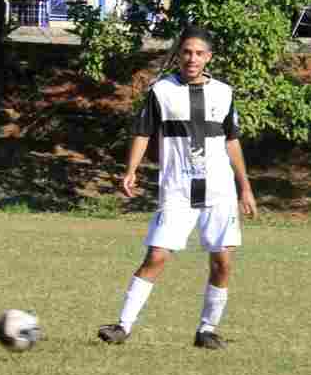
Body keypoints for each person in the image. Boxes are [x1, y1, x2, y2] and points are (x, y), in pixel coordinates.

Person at [97, 25, 257, 350]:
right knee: (156, 256)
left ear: (209, 57)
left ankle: (207, 330)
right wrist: (131, 170)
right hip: (177, 190)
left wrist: (245, 188)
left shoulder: (224, 93)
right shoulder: (161, 91)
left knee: (223, 262)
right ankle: (122, 325)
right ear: (178, 55)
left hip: (219, 192)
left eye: (199, 53)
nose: (192, 58)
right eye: (186, 52)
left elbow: (232, 141)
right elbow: (143, 132)